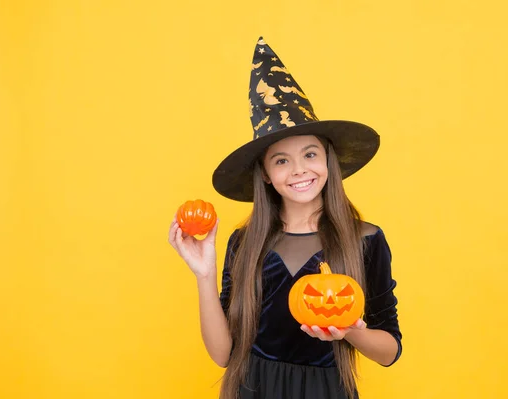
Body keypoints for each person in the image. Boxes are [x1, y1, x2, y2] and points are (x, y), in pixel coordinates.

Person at [168, 37, 401, 399]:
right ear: (264, 173)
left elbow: (389, 351)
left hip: (327, 391)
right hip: (252, 389)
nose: (298, 170)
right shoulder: (245, 243)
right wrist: (204, 274)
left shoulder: (365, 239)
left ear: (328, 160)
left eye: (310, 154)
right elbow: (222, 354)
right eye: (281, 160)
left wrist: (348, 331)